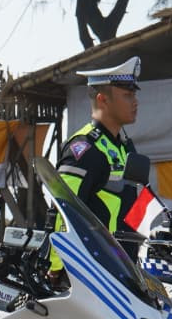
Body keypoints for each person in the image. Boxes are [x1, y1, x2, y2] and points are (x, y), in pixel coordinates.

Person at [57, 57, 141, 231]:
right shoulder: (84, 149)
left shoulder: (124, 148)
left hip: (121, 258)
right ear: (103, 99)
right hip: (95, 258)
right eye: (128, 95)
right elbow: (64, 218)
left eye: (134, 94)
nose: (135, 102)